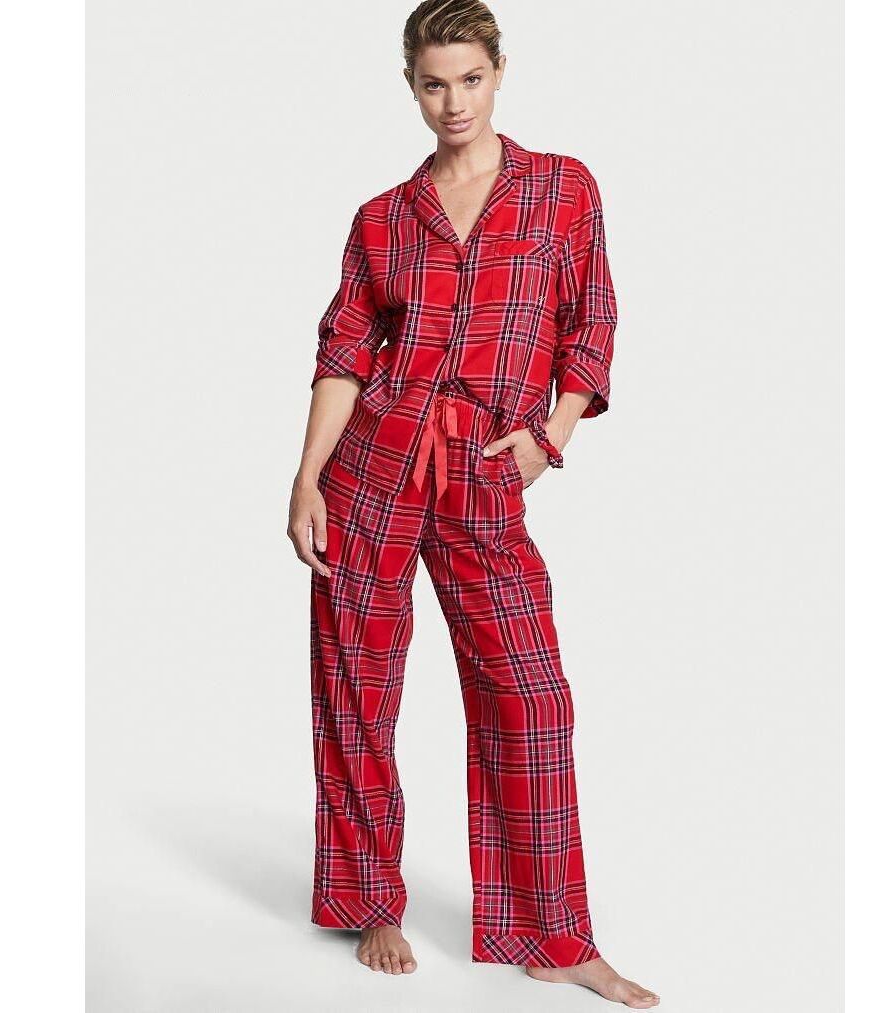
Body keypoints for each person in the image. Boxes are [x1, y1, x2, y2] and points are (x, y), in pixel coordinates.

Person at [287, 2, 657, 1007]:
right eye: (432, 83)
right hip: (372, 467)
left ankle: (552, 934)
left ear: (499, 72)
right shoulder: (383, 217)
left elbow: (591, 319)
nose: (452, 101)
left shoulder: (560, 188)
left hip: (483, 469)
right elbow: (344, 352)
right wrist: (307, 477)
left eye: (470, 79)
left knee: (530, 697)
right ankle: (370, 900)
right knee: (357, 684)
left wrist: (551, 433)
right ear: (410, 85)